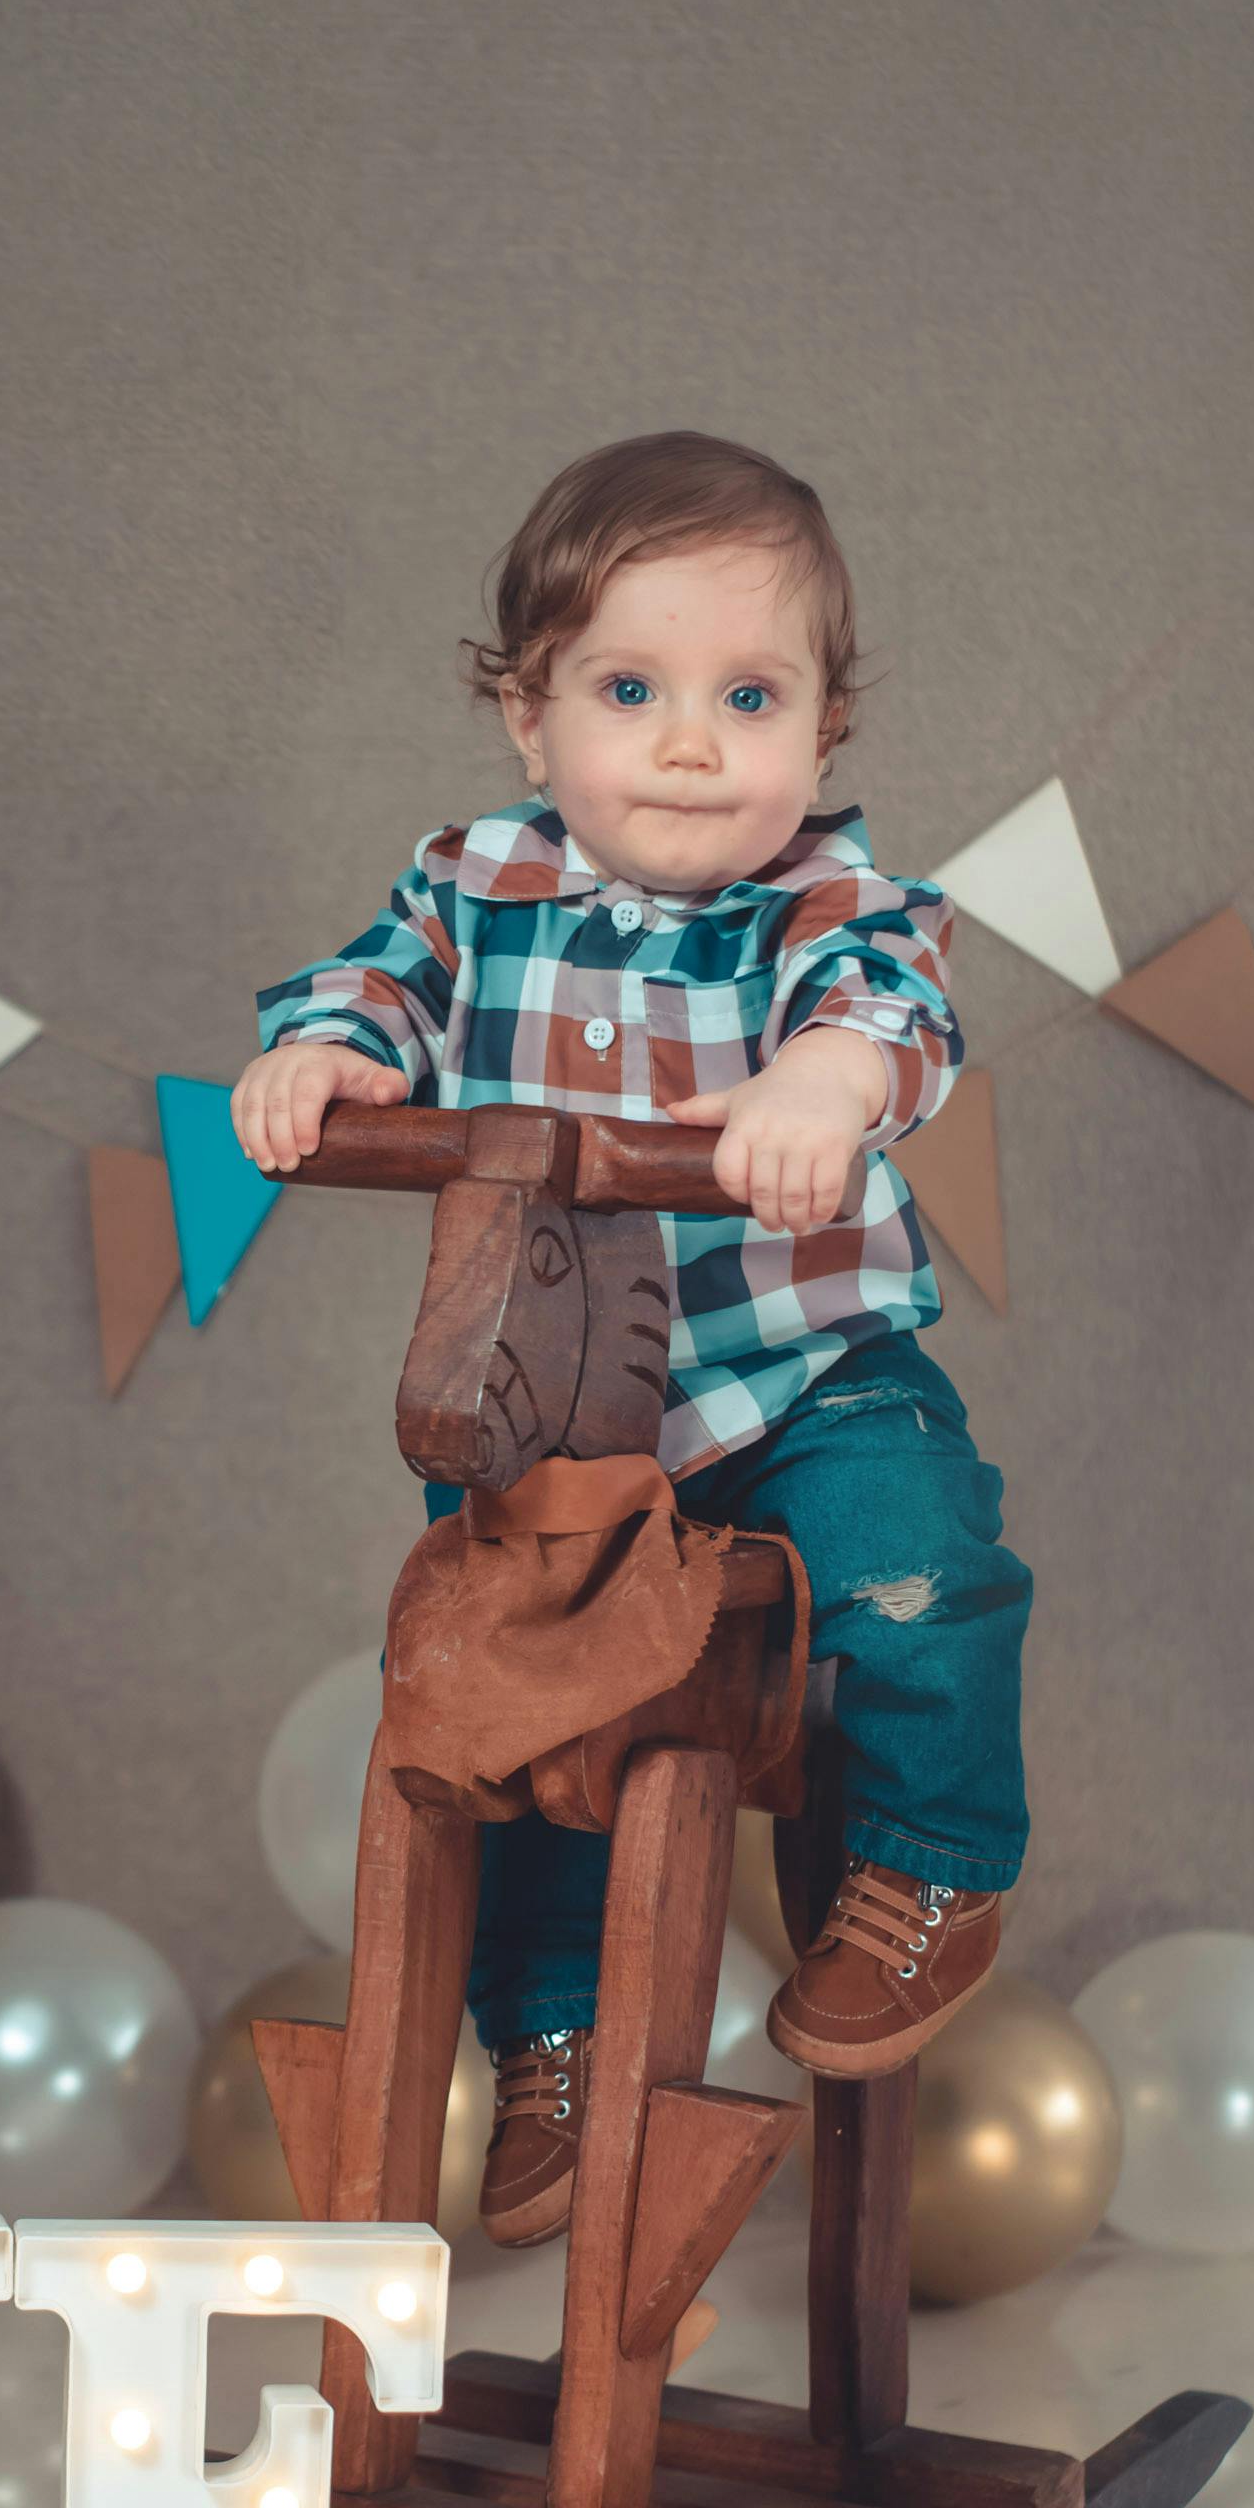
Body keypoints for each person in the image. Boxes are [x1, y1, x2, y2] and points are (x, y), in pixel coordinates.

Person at [232, 431, 1033, 2248]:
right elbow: (379, 977)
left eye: (748, 696)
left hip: (801, 1380)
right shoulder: (475, 882)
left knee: (920, 1577)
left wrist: (823, 1084)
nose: (689, 742)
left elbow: (888, 1012)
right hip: (569, 1431)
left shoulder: (822, 901)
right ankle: (556, 2044)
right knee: (521, 1722)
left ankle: (928, 1871)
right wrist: (332, 1058)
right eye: (627, 688)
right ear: (528, 718)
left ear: (822, 734)